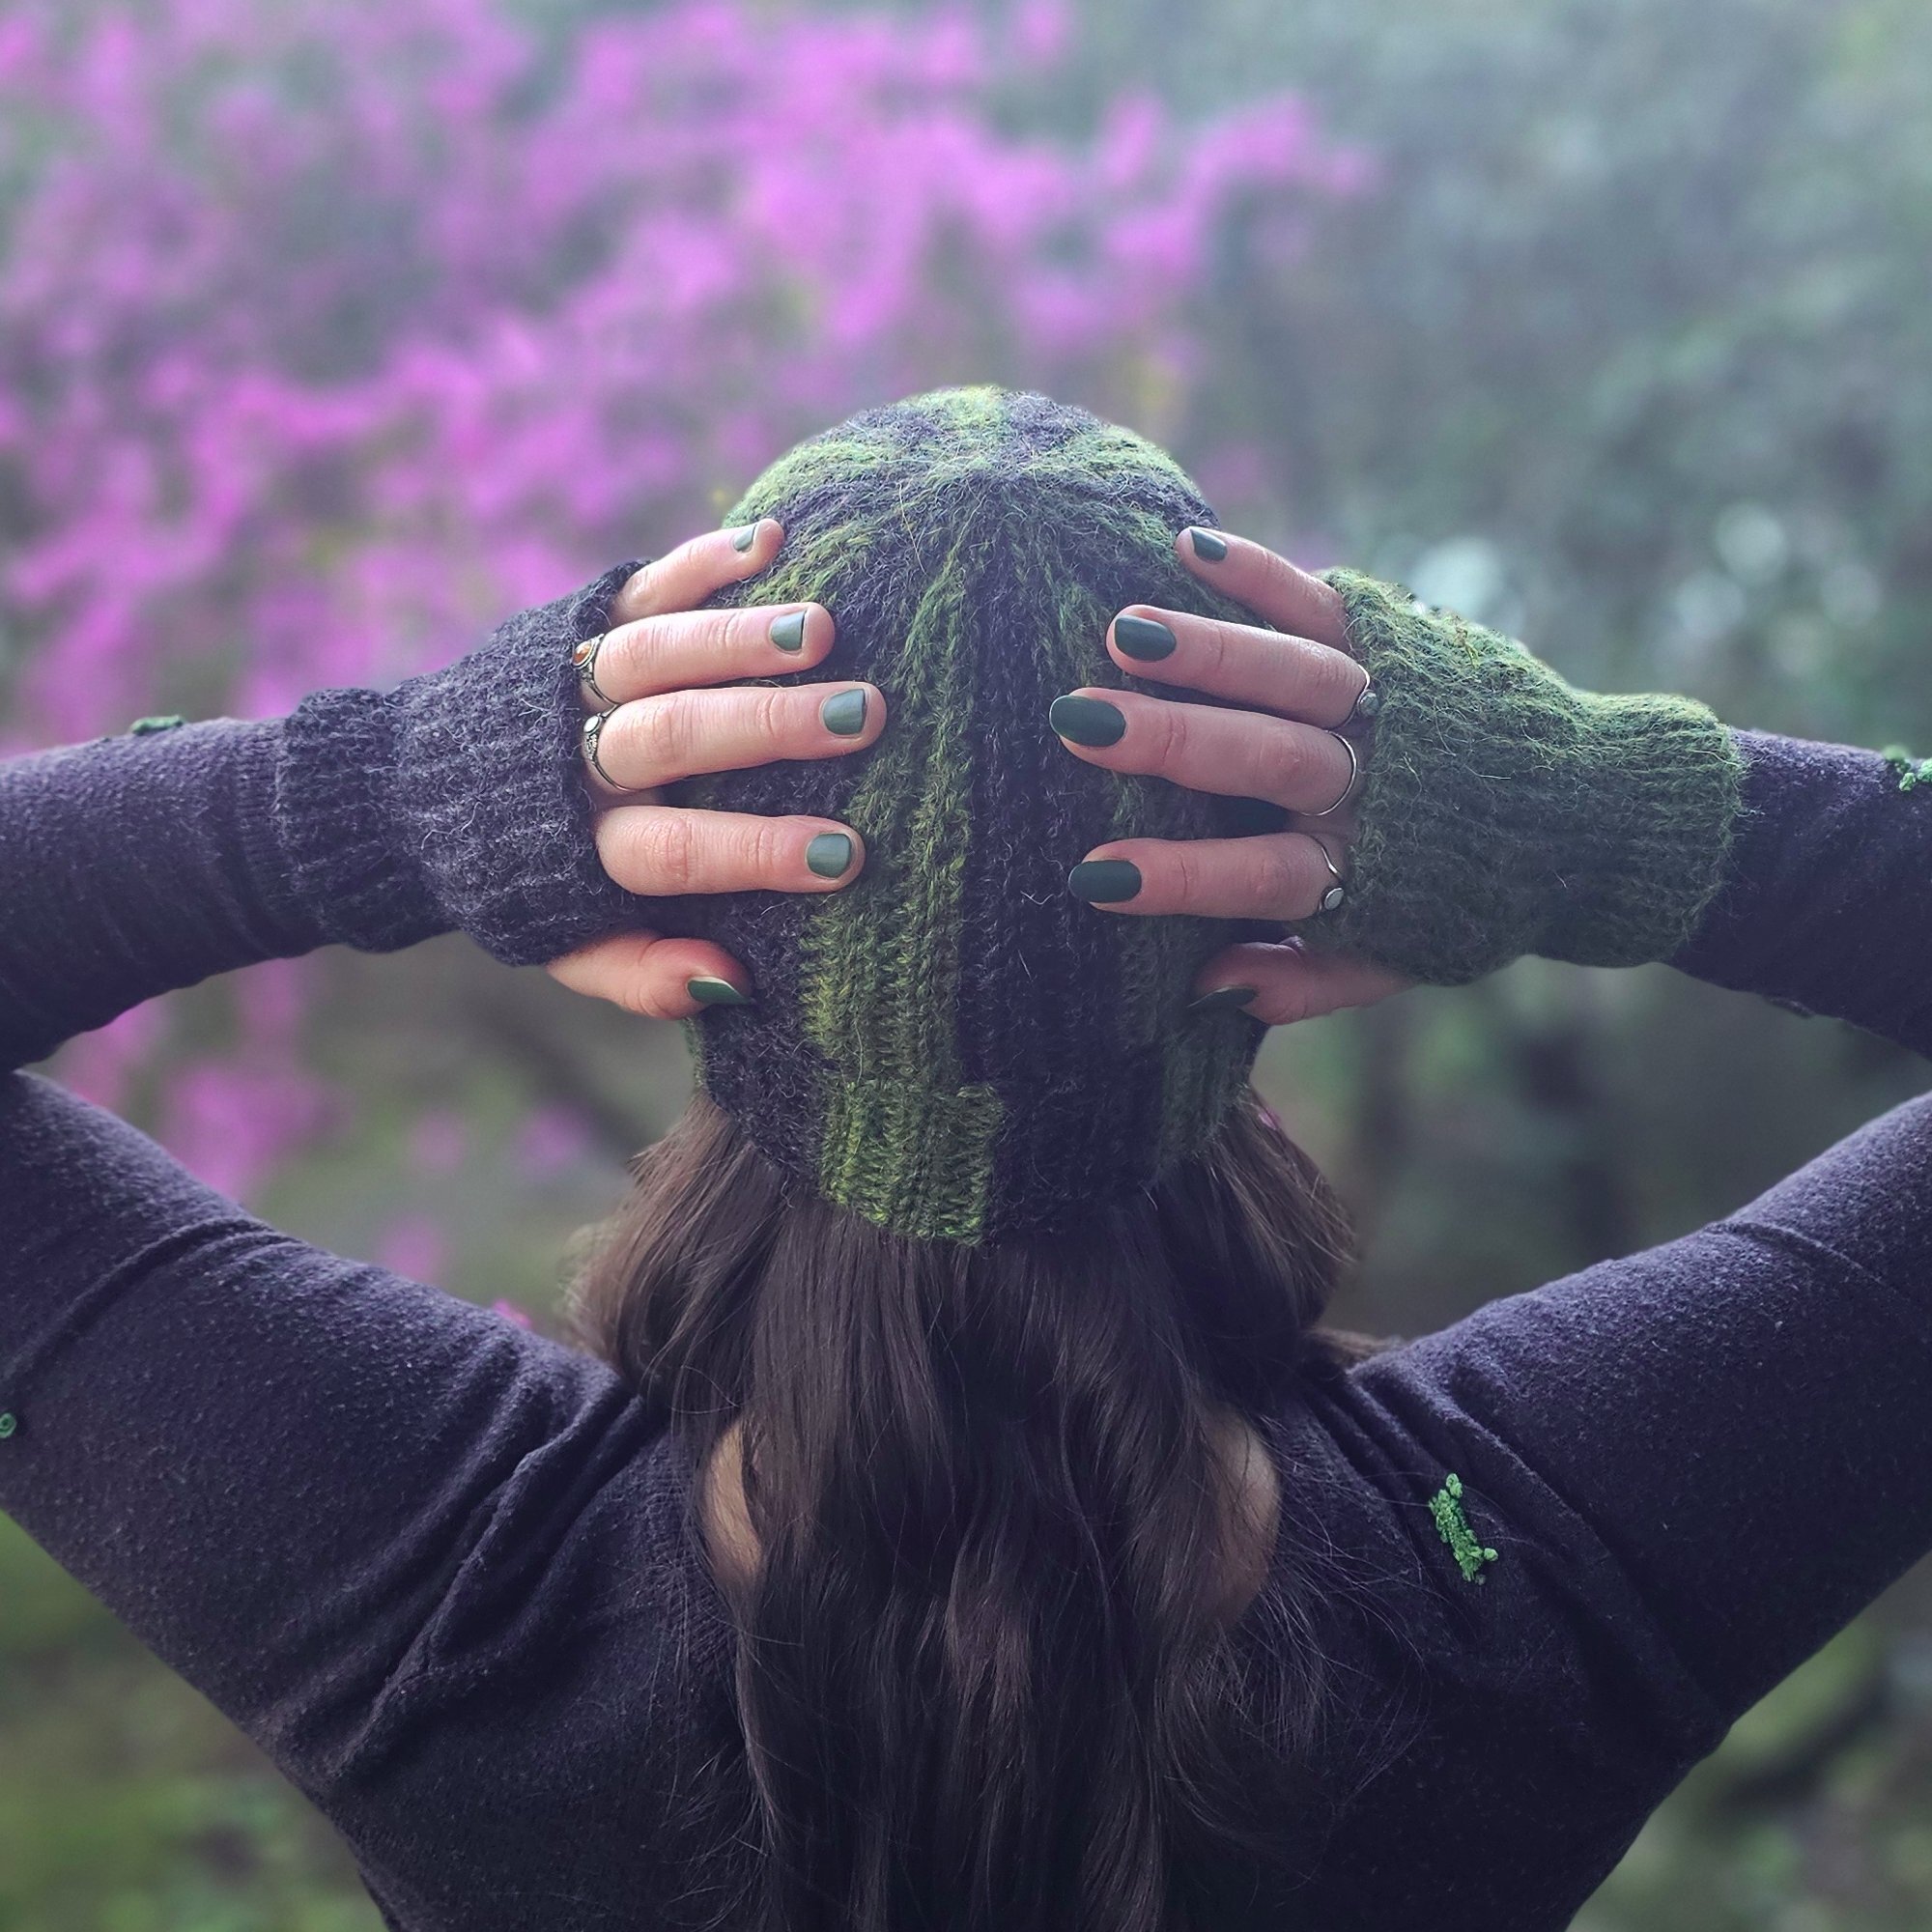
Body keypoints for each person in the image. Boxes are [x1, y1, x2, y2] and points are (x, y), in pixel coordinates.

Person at [0, 384, 1926, 1932]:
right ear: (1250, 960)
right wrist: (1582, 814)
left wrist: (381, 800)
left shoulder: (445, 1595)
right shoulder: (1523, 1579)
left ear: (692, 935)